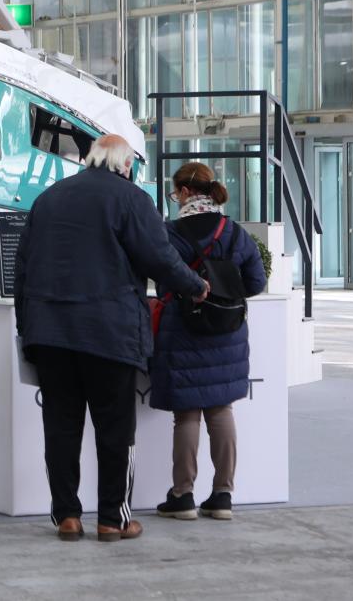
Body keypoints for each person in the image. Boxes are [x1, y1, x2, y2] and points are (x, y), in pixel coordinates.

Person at [15, 134, 208, 542]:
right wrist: (195, 285)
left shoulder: (48, 198)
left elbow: (23, 269)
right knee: (115, 430)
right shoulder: (130, 199)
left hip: (51, 335)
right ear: (125, 165)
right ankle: (112, 520)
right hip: (110, 333)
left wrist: (26, 328)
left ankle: (67, 517)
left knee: (61, 429)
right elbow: (159, 257)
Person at [152, 162, 267, 522]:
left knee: (186, 414)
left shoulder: (171, 233)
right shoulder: (234, 232)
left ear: (185, 192)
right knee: (221, 410)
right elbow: (256, 281)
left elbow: (163, 280)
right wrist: (226, 294)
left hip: (184, 330)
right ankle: (222, 496)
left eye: (175, 193)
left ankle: (182, 496)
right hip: (227, 330)